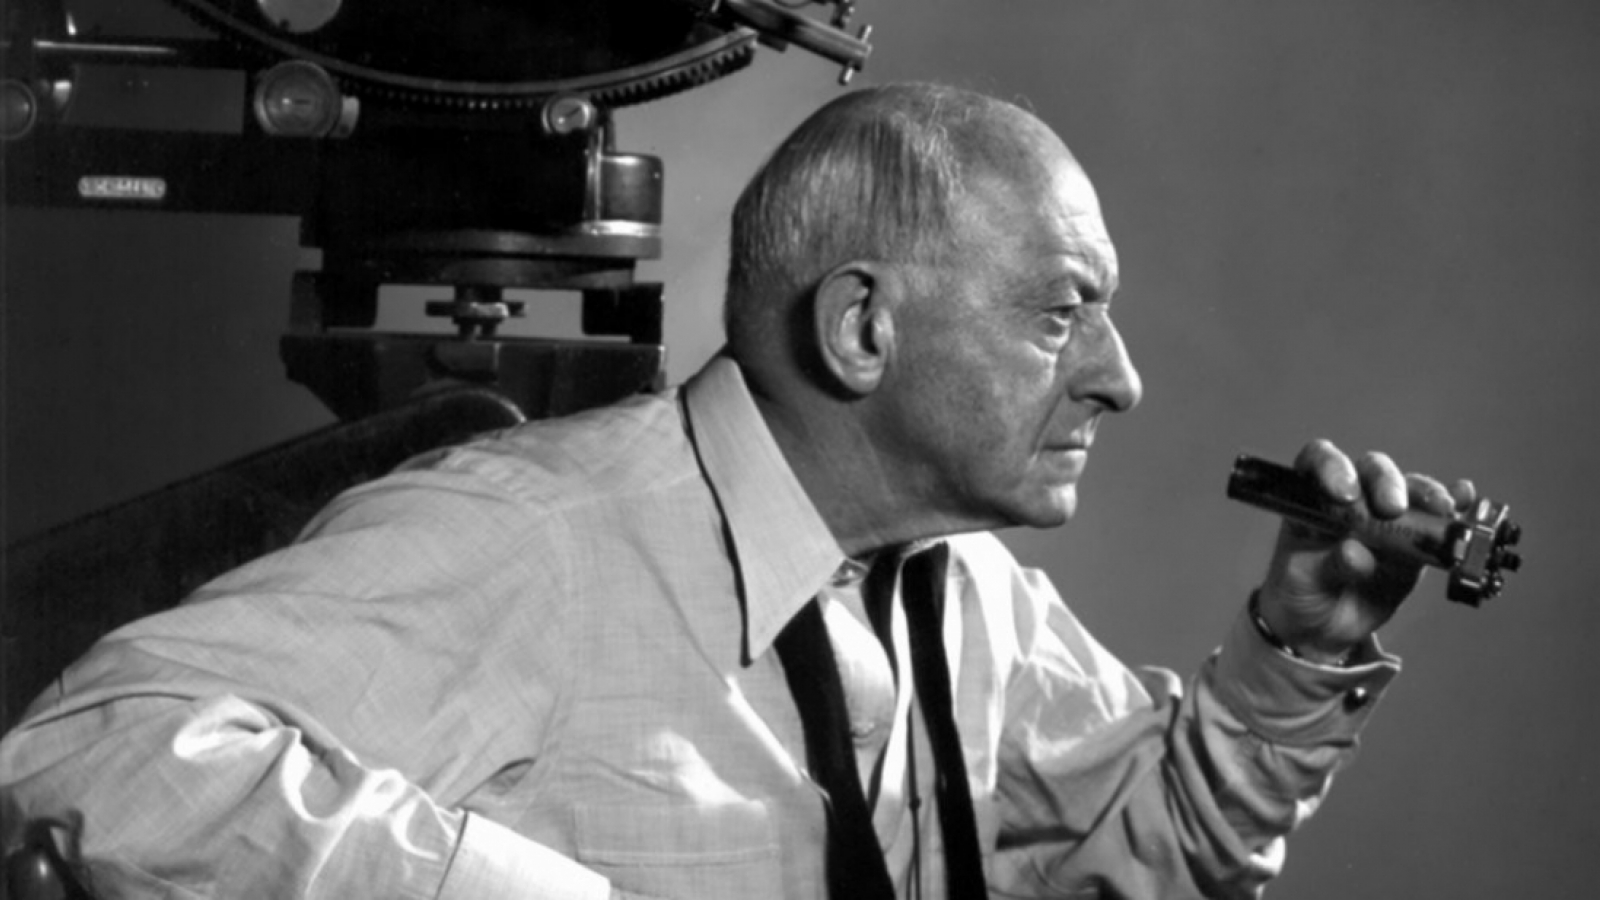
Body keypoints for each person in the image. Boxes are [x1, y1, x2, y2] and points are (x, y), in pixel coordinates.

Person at [0, 83, 1469, 899]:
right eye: (1059, 314)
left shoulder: (968, 597)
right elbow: (90, 753)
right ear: (861, 328)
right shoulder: (540, 540)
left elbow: (1138, 861)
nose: (1122, 379)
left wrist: (1299, 652)